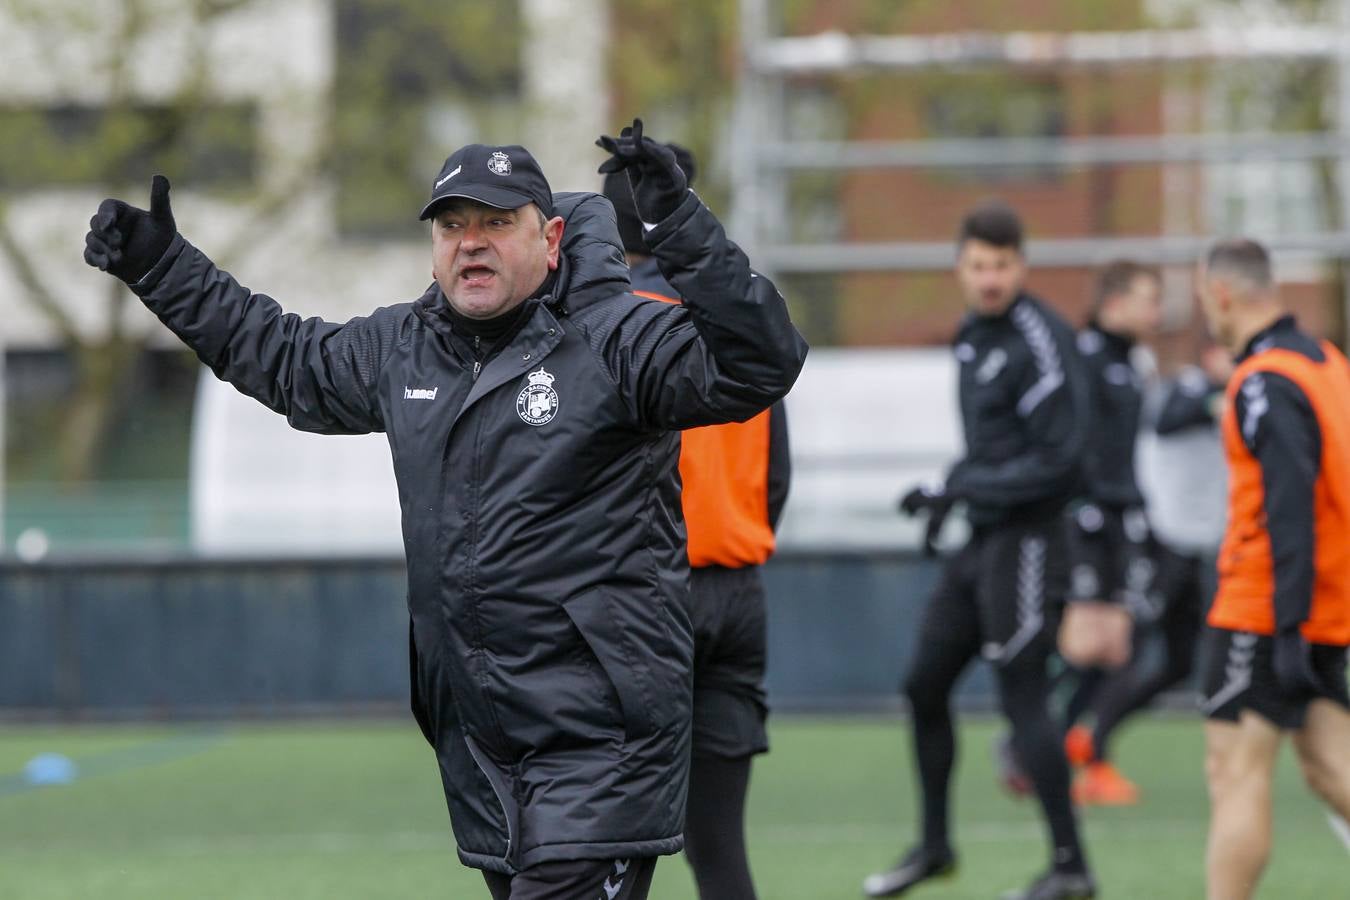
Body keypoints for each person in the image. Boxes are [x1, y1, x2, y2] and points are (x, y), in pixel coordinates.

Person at [82, 120, 808, 900]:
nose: (472, 243)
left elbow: (761, 361)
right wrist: (164, 268)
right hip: (480, 744)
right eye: (454, 225)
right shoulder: (406, 346)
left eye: (498, 223)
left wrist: (680, 223)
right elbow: (286, 359)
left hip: (601, 742)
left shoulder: (618, 336)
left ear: (552, 236)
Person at [865, 201, 1096, 900]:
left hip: (1031, 539)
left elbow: (1063, 464)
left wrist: (963, 486)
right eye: (978, 266)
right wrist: (948, 493)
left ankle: (1070, 866)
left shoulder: (1043, 343)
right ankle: (935, 846)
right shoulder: (973, 332)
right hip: (984, 539)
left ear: (1021, 266)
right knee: (923, 685)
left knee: (1023, 696)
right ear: (960, 268)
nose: (990, 278)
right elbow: (991, 451)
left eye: (1001, 265)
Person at [603, 149, 790, 900]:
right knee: (720, 852)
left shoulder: (611, 325)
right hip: (739, 595)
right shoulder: (742, 328)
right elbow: (777, 477)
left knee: (613, 844)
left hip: (649, 598)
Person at [1196, 239, 1350, 900]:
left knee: (1235, 771)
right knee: (1330, 765)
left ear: (1221, 294)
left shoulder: (1265, 381)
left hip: (1267, 607)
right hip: (1325, 598)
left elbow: (1289, 506)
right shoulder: (1328, 362)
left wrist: (1286, 627)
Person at [1062, 343, 1231, 805]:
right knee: (1124, 653)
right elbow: (1171, 415)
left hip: (1197, 548)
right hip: (1160, 542)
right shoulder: (1191, 388)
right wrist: (1218, 395)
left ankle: (1080, 734)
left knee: (1179, 663)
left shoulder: (1242, 396)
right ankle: (1088, 755)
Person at [1053, 261, 1162, 803]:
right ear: (1113, 303)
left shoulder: (1131, 361)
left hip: (1123, 515)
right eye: (1148, 299)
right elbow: (1072, 440)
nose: (1156, 313)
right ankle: (1040, 738)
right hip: (1089, 518)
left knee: (1119, 646)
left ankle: (1075, 749)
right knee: (1091, 641)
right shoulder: (1085, 357)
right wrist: (1082, 501)